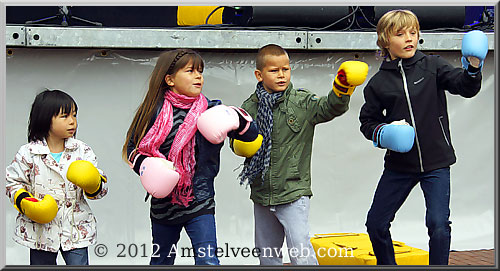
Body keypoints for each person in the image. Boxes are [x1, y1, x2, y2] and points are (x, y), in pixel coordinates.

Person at [359, 9, 488, 265]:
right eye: (400, 34)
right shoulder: (378, 83)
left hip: (436, 162)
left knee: (438, 223)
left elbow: (464, 87)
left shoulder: (433, 66)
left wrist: (473, 67)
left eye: (413, 32)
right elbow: (367, 122)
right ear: (385, 40)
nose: (409, 38)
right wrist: (383, 132)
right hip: (399, 166)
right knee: (376, 224)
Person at [123, 49, 258, 265]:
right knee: (161, 261)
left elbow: (252, 134)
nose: (198, 76)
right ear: (169, 79)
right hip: (163, 205)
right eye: (190, 71)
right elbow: (132, 149)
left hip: (200, 201)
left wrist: (236, 118)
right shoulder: (152, 111)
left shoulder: (211, 109)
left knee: (208, 261)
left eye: (201, 71)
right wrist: (147, 166)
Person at [237, 44, 369, 265]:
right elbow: (235, 136)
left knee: (301, 252)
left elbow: (329, 108)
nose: (281, 75)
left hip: (293, 192)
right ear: (259, 75)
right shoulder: (249, 108)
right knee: (267, 255)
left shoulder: (301, 102)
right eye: (274, 70)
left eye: (286, 69)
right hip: (261, 193)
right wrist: (239, 145)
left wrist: (342, 88)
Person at [6, 89, 108, 265]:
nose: (72, 121)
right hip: (40, 232)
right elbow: (13, 183)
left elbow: (101, 189)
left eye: (74, 115)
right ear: (45, 119)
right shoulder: (28, 153)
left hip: (75, 230)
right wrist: (25, 202)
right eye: (65, 116)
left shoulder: (82, 150)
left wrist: (94, 183)